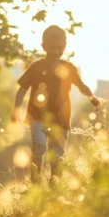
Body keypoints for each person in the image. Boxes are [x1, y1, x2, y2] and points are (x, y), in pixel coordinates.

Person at [11, 25, 101, 185]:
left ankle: (54, 185)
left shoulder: (68, 67)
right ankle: (36, 183)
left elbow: (81, 86)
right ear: (43, 46)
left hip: (61, 119)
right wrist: (16, 109)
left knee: (57, 155)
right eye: (52, 47)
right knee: (39, 146)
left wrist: (92, 97)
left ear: (65, 46)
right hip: (37, 117)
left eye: (59, 47)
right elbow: (22, 89)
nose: (55, 51)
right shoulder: (37, 67)